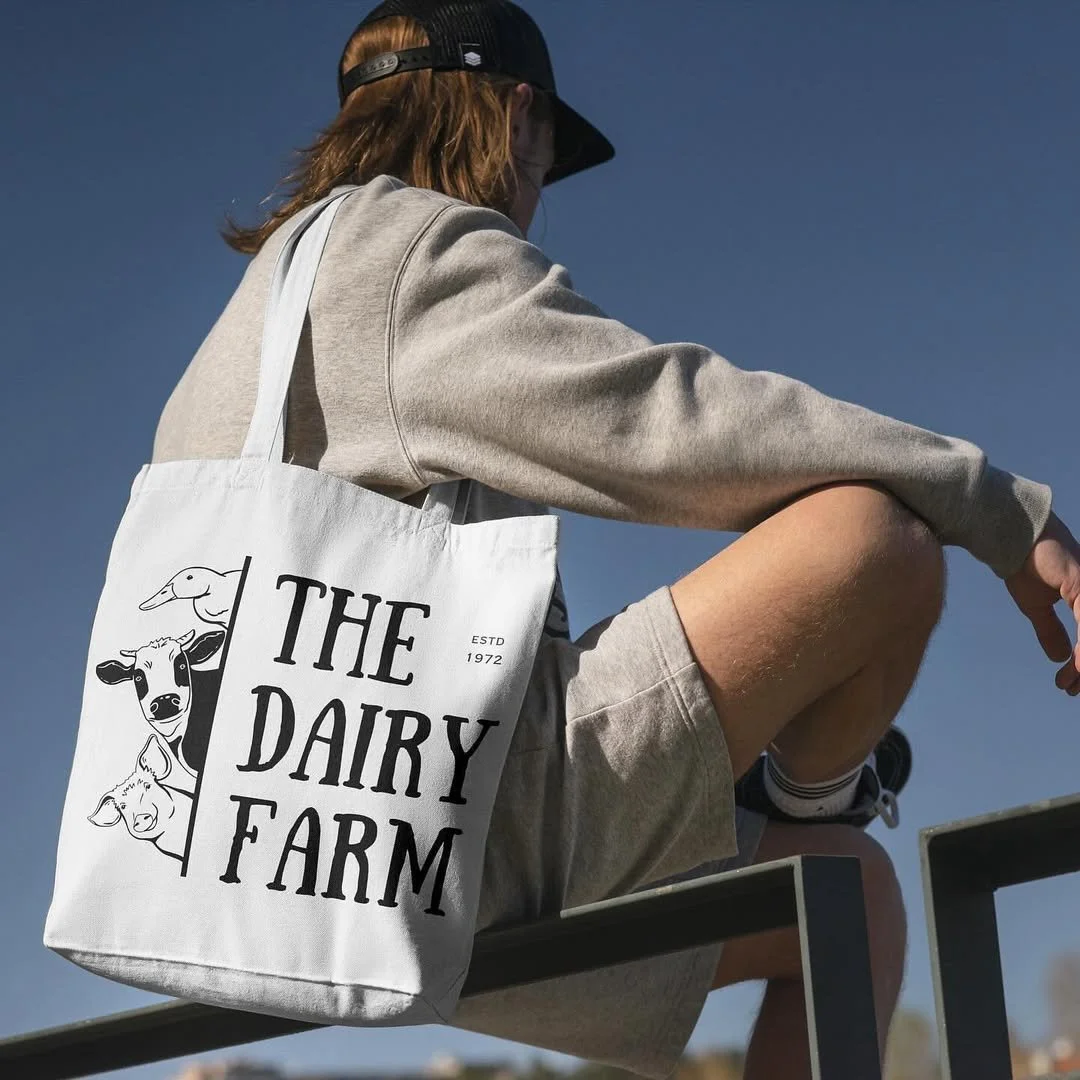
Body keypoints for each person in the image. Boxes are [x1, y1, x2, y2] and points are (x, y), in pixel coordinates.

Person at [152, 1, 1080, 1077]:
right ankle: (810, 788)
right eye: (548, 160)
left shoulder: (247, 320)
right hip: (455, 834)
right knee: (878, 542)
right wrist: (999, 507)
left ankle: (810, 805)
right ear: (519, 118)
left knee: (849, 897)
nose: (541, 198)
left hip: (274, 854)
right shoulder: (409, 253)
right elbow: (667, 424)